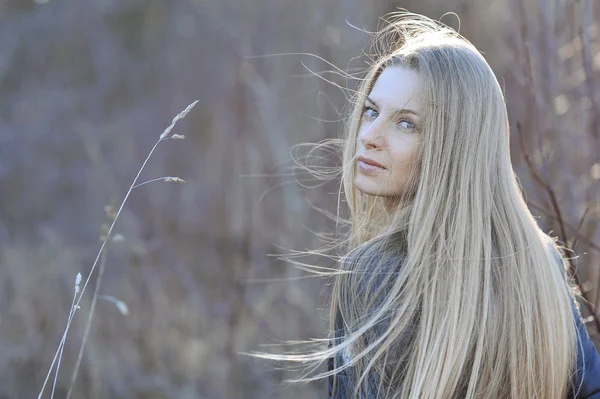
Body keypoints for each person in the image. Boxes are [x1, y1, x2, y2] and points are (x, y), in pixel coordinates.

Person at [311, 12, 600, 399]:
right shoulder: (542, 262)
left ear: (455, 145)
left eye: (406, 123)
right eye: (371, 110)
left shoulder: (372, 273)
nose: (369, 136)